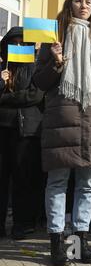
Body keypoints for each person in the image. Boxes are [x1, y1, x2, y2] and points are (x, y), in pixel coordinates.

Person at [33, 0, 91, 266]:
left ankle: (79, 242)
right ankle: (57, 242)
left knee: (87, 185)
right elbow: (40, 82)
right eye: (78, 1)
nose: (84, 6)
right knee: (57, 182)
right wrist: (57, 63)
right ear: (69, 5)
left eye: (89, 2)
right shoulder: (54, 36)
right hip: (62, 116)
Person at [0, 27, 45, 240]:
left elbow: (35, 96)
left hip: (26, 131)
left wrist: (4, 98)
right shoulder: (2, 67)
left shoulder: (35, 67)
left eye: (22, 43)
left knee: (24, 179)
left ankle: (23, 223)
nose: (18, 47)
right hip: (3, 129)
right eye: (13, 43)